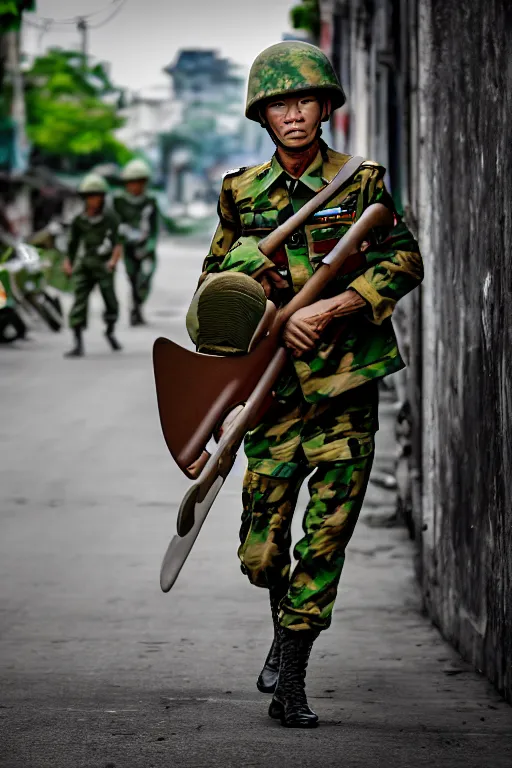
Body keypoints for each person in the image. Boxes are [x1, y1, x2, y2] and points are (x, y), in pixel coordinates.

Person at [194, 41, 423, 728]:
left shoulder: (360, 183)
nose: (294, 114)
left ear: (326, 106)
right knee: (262, 549)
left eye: (305, 100)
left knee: (322, 542)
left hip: (344, 391)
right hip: (269, 393)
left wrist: (334, 306)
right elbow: (213, 289)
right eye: (280, 104)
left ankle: (293, 679)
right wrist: (266, 308)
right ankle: (281, 624)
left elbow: (403, 258)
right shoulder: (240, 192)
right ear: (262, 116)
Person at [63, 173, 122, 358]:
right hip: (85, 263)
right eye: (89, 196)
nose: (93, 200)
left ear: (103, 197)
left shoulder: (110, 216)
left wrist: (113, 261)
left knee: (110, 301)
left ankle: (110, 331)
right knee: (79, 302)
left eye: (96, 195)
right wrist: (68, 262)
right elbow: (72, 244)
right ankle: (78, 343)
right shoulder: (79, 220)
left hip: (104, 264)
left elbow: (117, 242)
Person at [113, 158, 159, 326]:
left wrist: (149, 246)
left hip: (146, 247)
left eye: (139, 182)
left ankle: (139, 302)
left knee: (145, 277)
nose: (135, 186)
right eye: (131, 182)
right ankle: (136, 309)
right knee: (132, 278)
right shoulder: (119, 201)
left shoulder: (150, 201)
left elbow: (155, 228)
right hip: (129, 247)